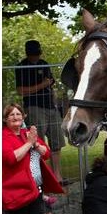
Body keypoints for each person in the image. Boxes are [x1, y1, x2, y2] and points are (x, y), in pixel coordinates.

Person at [2, 103, 64, 214]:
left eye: (18, 114)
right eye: (11, 115)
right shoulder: (4, 137)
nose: (16, 117)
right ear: (5, 119)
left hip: (34, 188)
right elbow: (11, 158)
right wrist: (29, 143)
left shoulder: (27, 133)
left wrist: (34, 143)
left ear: (24, 117)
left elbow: (46, 152)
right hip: (16, 189)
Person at [15, 40, 67, 185]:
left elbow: (51, 83)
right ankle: (43, 178)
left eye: (37, 54)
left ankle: (58, 177)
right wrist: (42, 85)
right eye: (33, 54)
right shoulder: (21, 67)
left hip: (51, 107)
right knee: (39, 144)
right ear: (27, 53)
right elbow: (21, 91)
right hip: (34, 108)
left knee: (57, 142)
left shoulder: (44, 63)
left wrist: (54, 100)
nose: (36, 57)